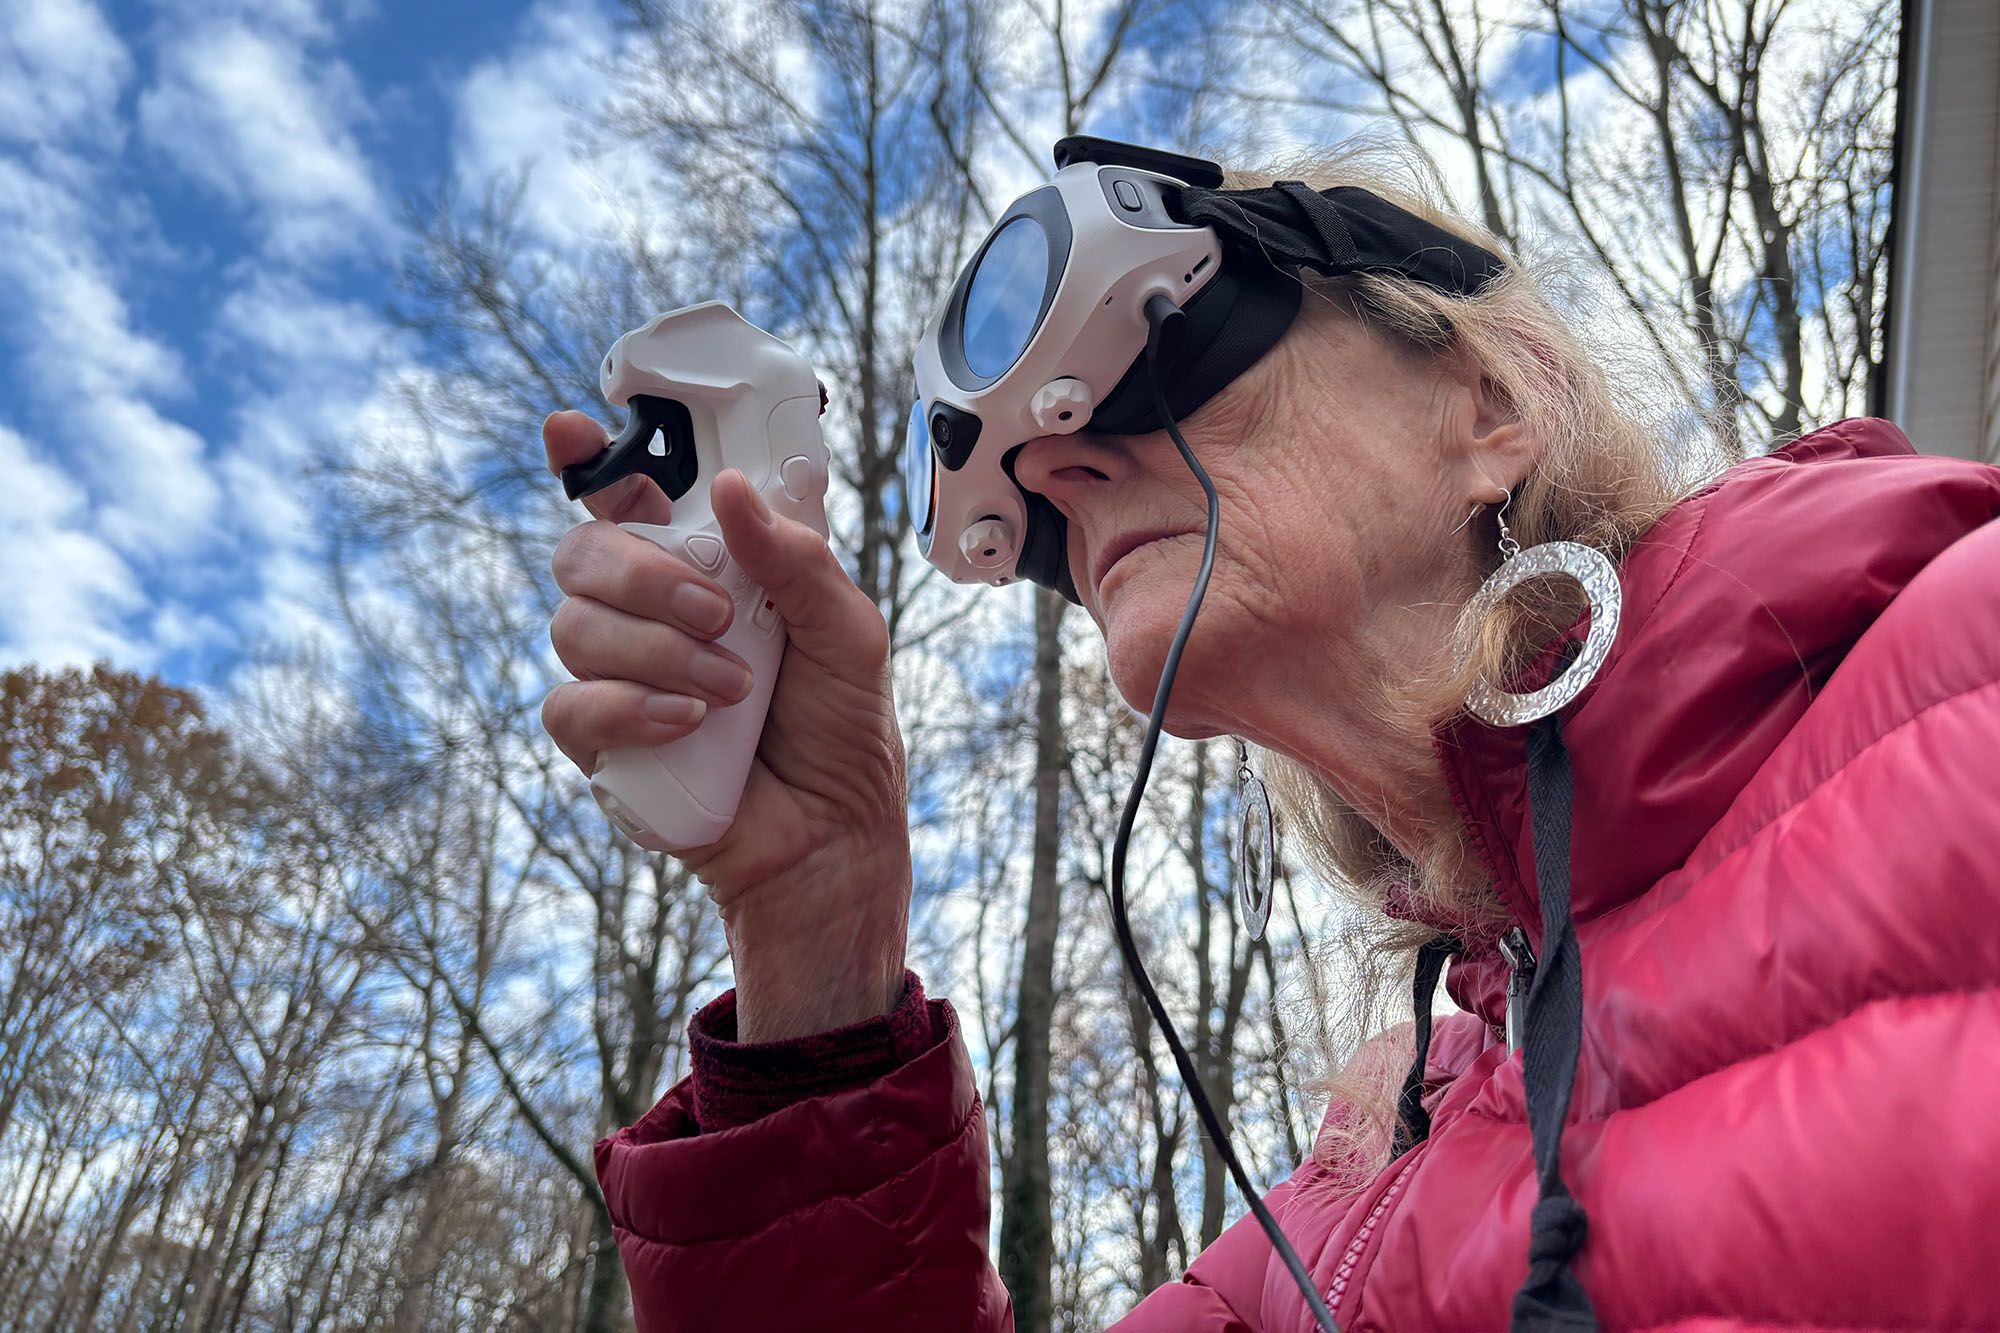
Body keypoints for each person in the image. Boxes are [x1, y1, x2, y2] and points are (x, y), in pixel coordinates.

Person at [537, 147, 2000, 1331]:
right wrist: (816, 934)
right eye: (1039, 521)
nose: (1063, 468)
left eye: (1176, 346)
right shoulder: (1349, 1197)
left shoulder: (1964, 660)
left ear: (1490, 405)